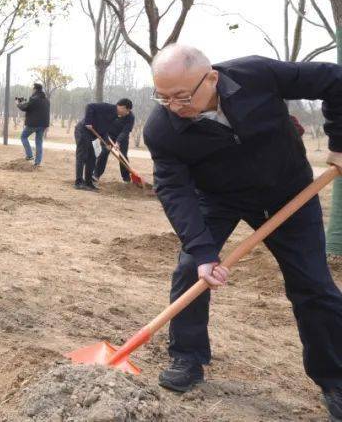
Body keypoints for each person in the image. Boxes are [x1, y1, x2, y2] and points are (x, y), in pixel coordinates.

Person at [144, 45, 342, 420]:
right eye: (163, 97)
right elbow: (174, 190)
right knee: (190, 271)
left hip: (290, 193)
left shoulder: (255, 74)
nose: (174, 106)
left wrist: (339, 141)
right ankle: (187, 357)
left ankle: (335, 379)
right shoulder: (162, 128)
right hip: (219, 198)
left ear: (212, 78)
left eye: (182, 96)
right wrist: (203, 252)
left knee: (313, 286)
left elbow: (335, 80)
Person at [73, 98, 132, 191]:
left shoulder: (115, 116)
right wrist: (88, 122)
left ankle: (88, 183)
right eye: (127, 110)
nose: (128, 113)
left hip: (91, 135)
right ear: (123, 107)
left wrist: (107, 143)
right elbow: (90, 106)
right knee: (82, 156)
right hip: (82, 131)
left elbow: (104, 130)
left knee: (92, 158)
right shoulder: (108, 107)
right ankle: (78, 182)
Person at [93, 98, 135, 183]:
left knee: (123, 156)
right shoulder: (113, 111)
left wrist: (118, 142)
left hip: (122, 137)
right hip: (109, 135)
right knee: (104, 152)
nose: (127, 112)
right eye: (126, 110)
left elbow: (125, 131)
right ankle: (96, 175)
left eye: (128, 111)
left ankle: (126, 178)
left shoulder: (130, 117)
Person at [16, 83, 49, 166]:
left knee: (23, 137)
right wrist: (24, 102)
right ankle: (37, 163)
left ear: (35, 89)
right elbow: (33, 107)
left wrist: (18, 104)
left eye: (32, 89)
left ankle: (30, 155)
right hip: (43, 124)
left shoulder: (34, 99)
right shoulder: (46, 100)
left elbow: (25, 108)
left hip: (33, 124)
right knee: (39, 142)